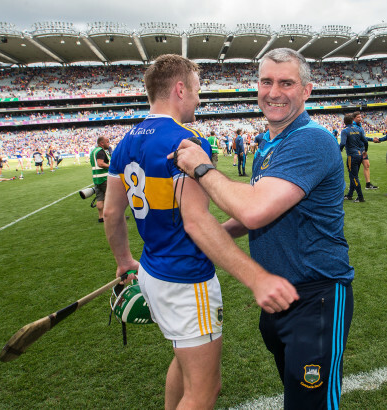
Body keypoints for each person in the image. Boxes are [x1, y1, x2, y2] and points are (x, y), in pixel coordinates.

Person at [103, 54, 297, 410]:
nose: (198, 99)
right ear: (179, 89)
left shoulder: (126, 141)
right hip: (185, 277)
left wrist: (123, 261)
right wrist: (256, 279)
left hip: (150, 269)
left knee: (182, 359)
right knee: (204, 390)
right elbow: (195, 220)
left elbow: (112, 212)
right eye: (195, 90)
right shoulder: (186, 141)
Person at [171, 48, 354, 410]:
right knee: (296, 397)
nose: (273, 92)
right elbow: (263, 211)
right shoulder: (269, 144)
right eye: (266, 81)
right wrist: (212, 236)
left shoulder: (311, 139)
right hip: (278, 296)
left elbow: (255, 210)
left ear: (306, 91)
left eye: (286, 83)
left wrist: (202, 168)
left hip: (316, 297)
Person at [339, 113, 366, 203]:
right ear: (352, 121)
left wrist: (339, 150)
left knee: (353, 176)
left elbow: (342, 143)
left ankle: (360, 197)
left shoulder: (345, 131)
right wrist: (365, 150)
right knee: (353, 175)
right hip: (359, 155)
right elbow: (365, 141)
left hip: (352, 156)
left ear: (344, 122)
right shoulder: (358, 129)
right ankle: (350, 195)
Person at [353, 112, 378, 190]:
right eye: (358, 117)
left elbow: (363, 138)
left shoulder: (359, 126)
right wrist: (371, 139)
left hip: (362, 149)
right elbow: (362, 138)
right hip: (357, 150)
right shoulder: (354, 127)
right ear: (354, 118)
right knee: (355, 169)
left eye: (360, 117)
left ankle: (368, 184)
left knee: (367, 165)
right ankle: (353, 186)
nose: (360, 118)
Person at [89, 136, 111, 223]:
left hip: (96, 178)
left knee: (99, 198)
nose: (108, 143)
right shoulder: (101, 151)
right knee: (111, 197)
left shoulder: (93, 151)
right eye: (107, 142)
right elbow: (100, 163)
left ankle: (101, 217)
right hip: (104, 178)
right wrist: (111, 166)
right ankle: (112, 215)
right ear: (102, 143)